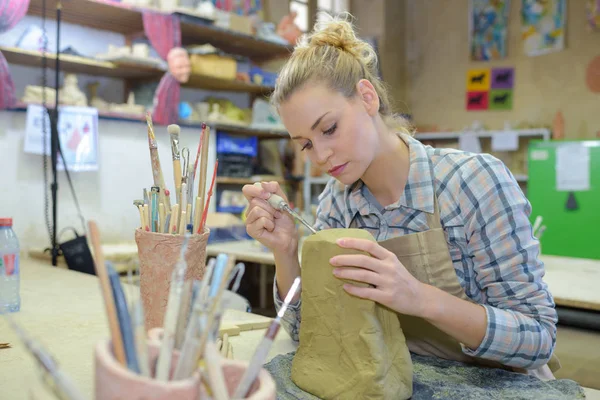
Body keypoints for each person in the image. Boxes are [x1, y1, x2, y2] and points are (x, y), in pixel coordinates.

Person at [242, 14, 559, 379]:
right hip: (407, 381)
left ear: (367, 97)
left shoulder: (473, 182)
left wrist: (420, 298)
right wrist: (284, 252)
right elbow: (310, 333)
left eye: (329, 128)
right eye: (307, 144)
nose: (320, 156)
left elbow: (538, 338)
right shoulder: (338, 203)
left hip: (503, 385)